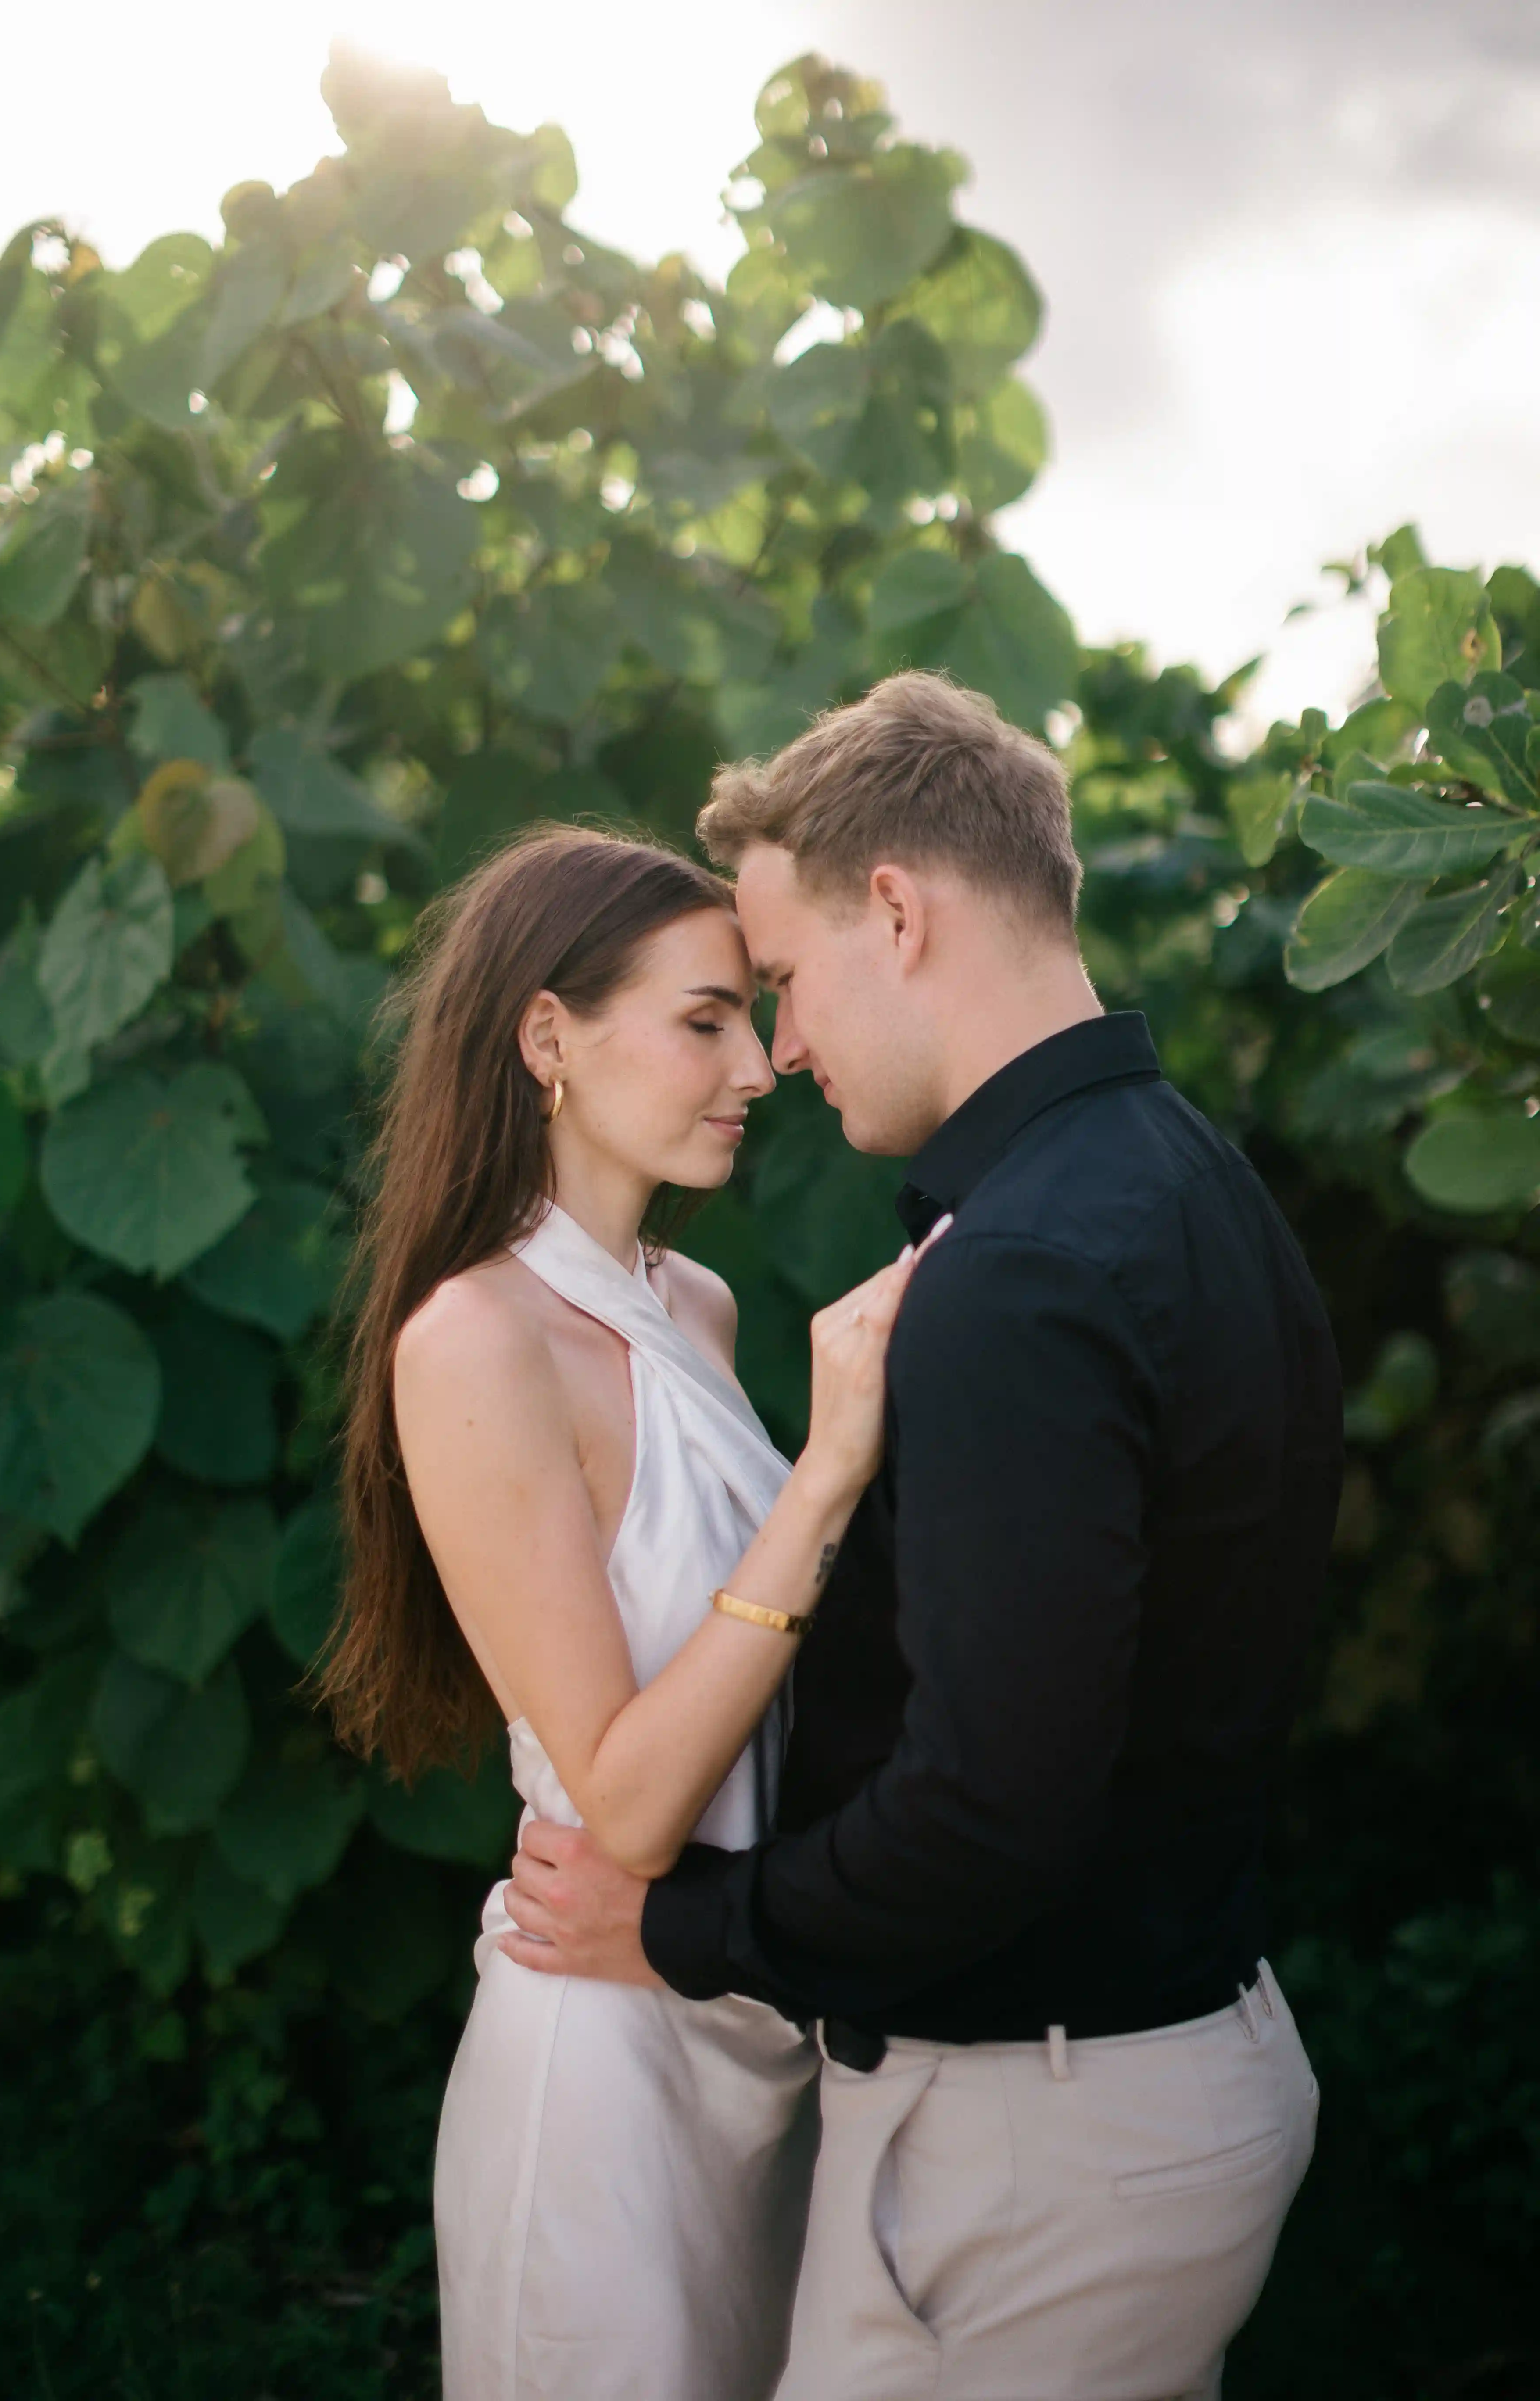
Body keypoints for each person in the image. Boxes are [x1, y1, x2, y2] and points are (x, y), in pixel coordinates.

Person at [500, 672, 1347, 2401]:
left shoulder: (1024, 1270)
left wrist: (679, 1932)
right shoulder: (1186, 1177)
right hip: (1131, 2079)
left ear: (897, 910)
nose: (784, 1050)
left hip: (1055, 2136)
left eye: (791, 986)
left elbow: (989, 1808)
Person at [317, 823, 944, 2401]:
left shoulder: (699, 1305)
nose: (758, 1062)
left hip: (745, 2030)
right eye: (704, 1019)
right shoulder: (472, 1343)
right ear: (550, 1038)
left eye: (753, 1013)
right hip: (599, 2071)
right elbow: (636, 1802)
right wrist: (828, 1470)